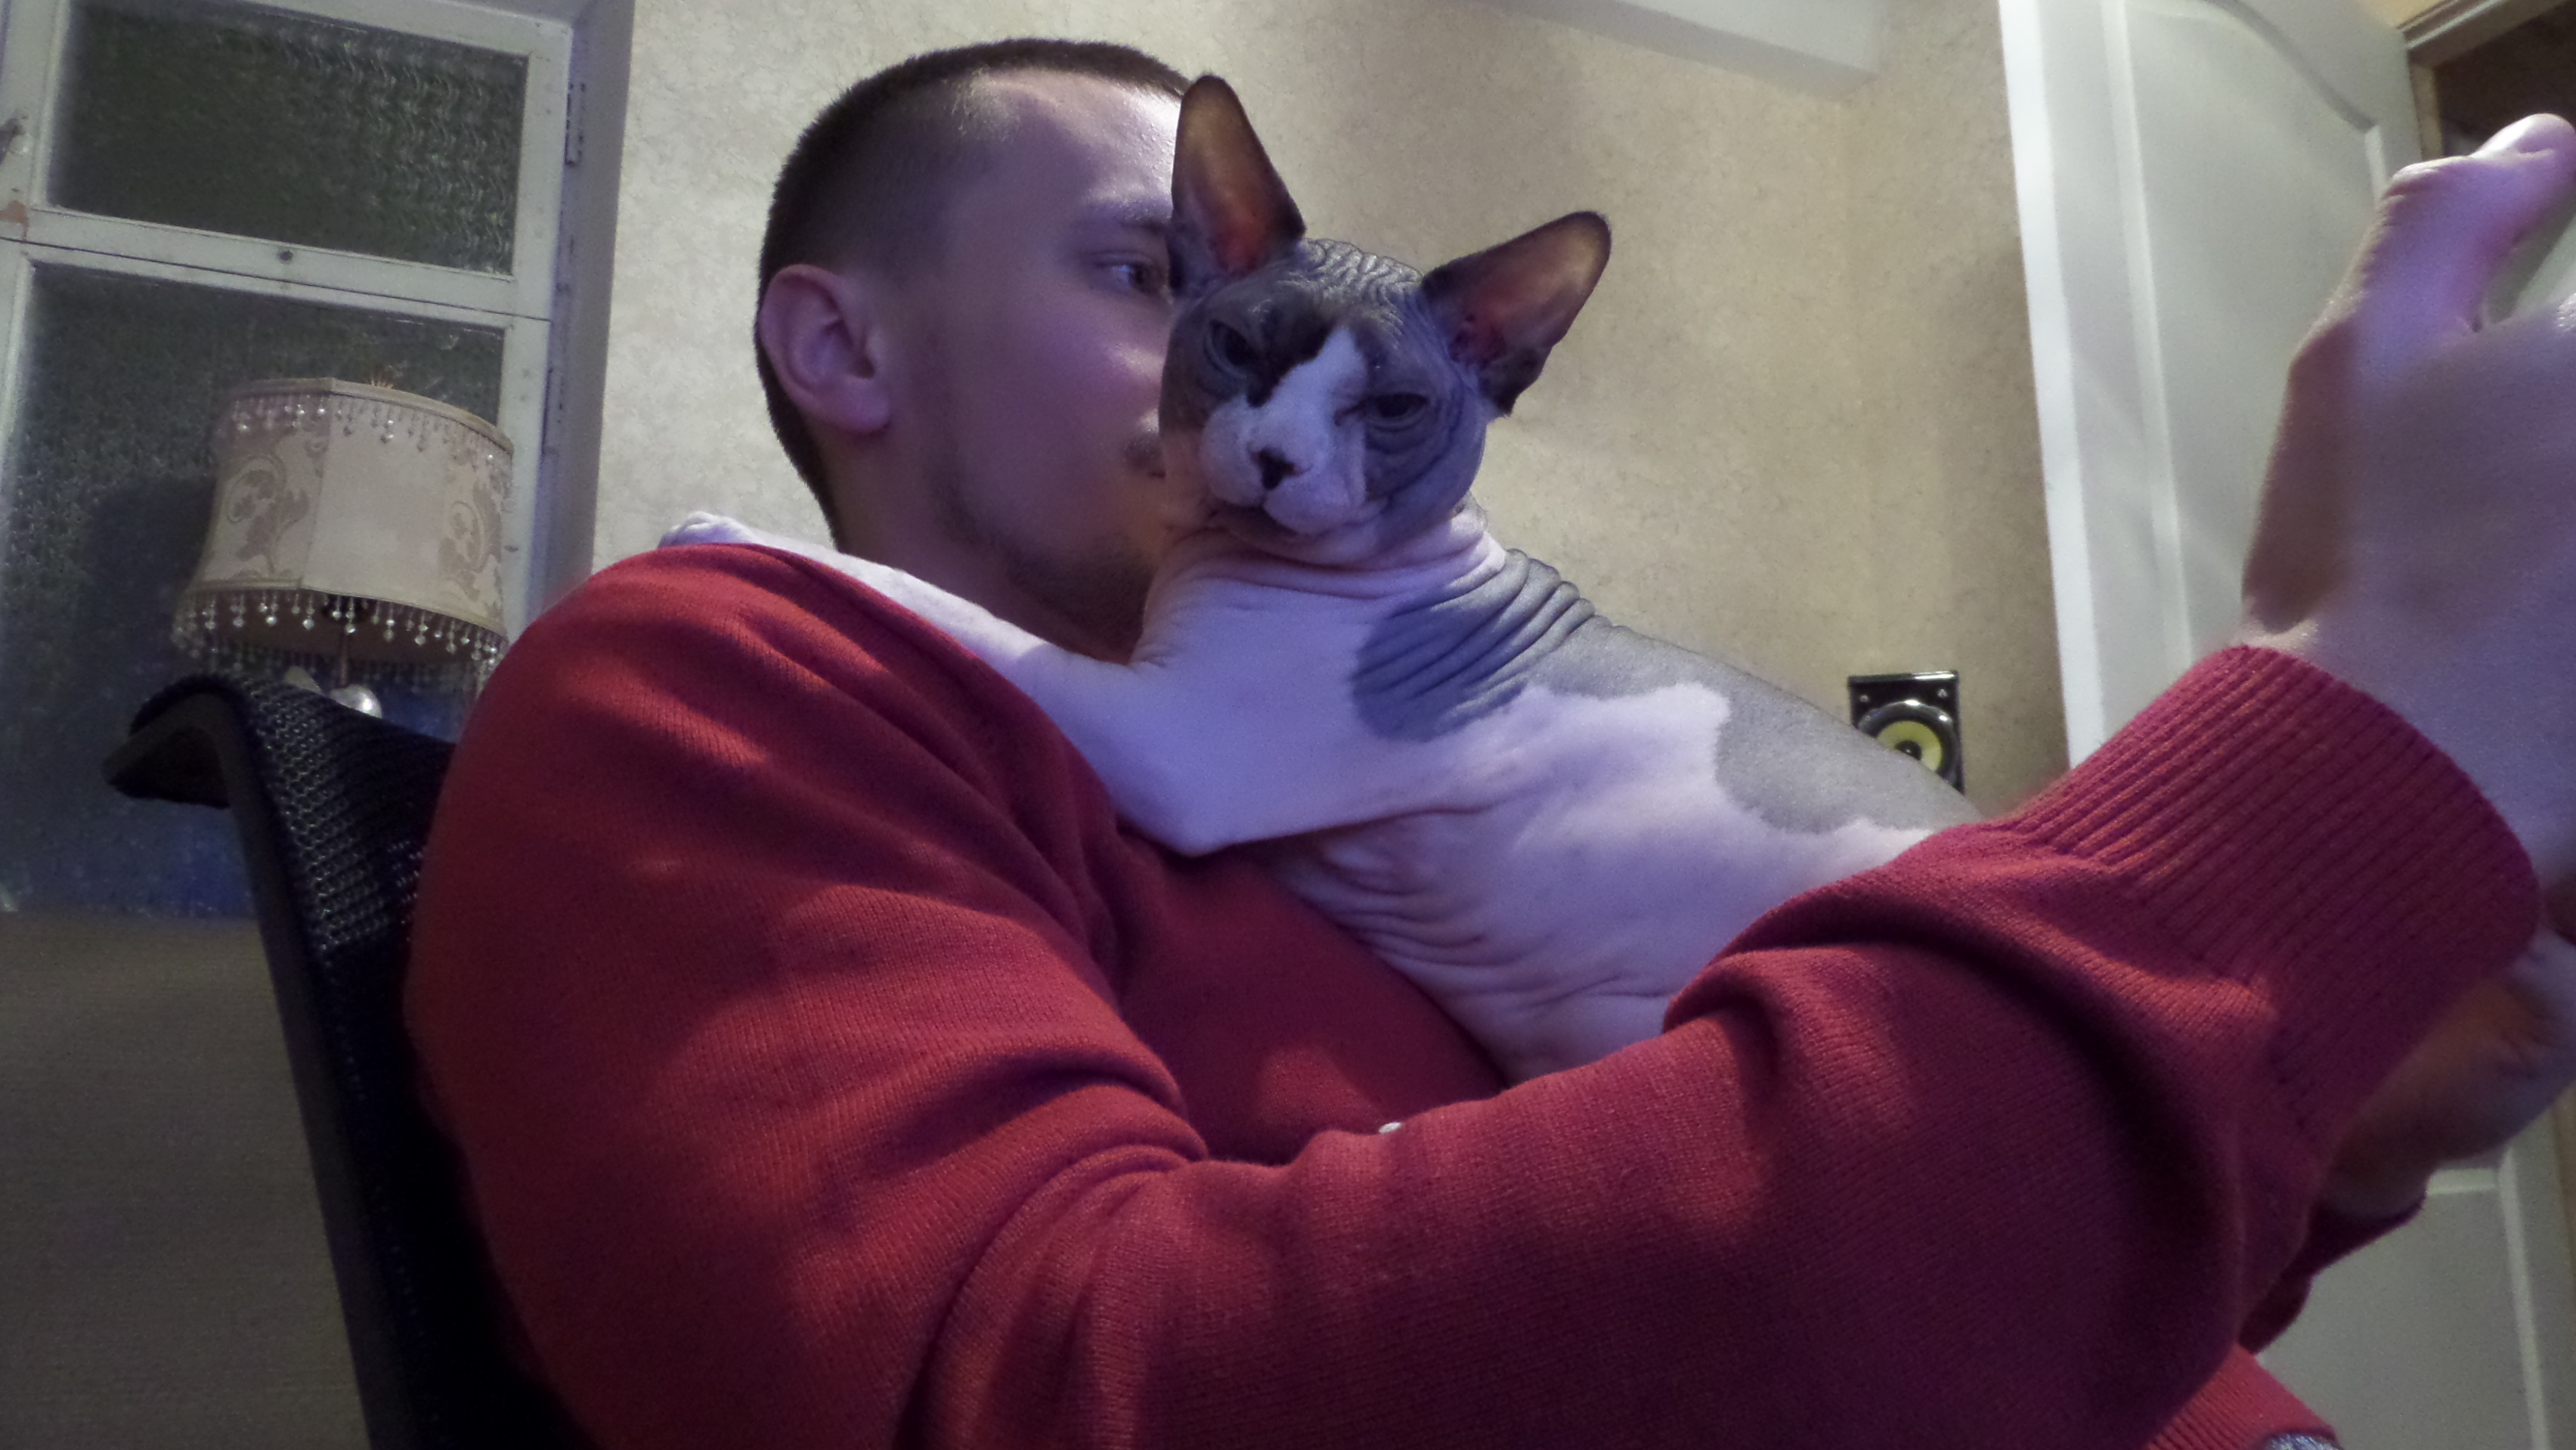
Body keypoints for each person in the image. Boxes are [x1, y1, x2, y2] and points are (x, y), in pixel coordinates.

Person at [406, 36, 2576, 1450]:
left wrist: (2321, 1122)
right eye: (1148, 274)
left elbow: (1887, 1284)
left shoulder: (1329, 775)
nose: (1236, 368)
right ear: (841, 343)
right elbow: (1043, 1397)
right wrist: (2338, 761)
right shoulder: (723, 677)